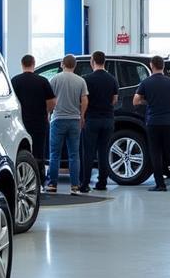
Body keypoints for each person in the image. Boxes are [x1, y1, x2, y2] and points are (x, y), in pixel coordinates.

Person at [134, 55, 170, 192]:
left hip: (153, 122)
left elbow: (135, 101)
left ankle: (160, 185)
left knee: (156, 153)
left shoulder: (146, 83)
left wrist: (147, 101)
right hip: (168, 122)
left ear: (151, 65)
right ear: (162, 66)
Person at [45, 53, 88, 194]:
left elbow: (50, 100)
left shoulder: (55, 79)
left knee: (54, 154)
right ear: (75, 66)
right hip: (74, 120)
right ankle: (75, 186)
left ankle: (52, 185)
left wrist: (49, 113)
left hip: (57, 120)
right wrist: (81, 116)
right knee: (74, 155)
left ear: (62, 64)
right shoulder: (80, 81)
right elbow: (85, 100)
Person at [81, 51, 118, 193]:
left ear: (92, 61)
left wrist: (83, 116)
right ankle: (102, 182)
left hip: (92, 119)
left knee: (88, 152)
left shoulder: (87, 79)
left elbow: (84, 100)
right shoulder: (112, 79)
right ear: (104, 61)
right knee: (103, 152)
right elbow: (114, 99)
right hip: (108, 120)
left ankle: (85, 184)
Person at [11, 54, 54, 171]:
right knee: (39, 151)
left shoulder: (15, 81)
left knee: (22, 150)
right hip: (40, 121)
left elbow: (11, 102)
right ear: (33, 64)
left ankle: (23, 174)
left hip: (21, 123)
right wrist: (47, 113)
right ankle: (40, 178)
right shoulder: (42, 81)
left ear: (22, 64)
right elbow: (51, 101)